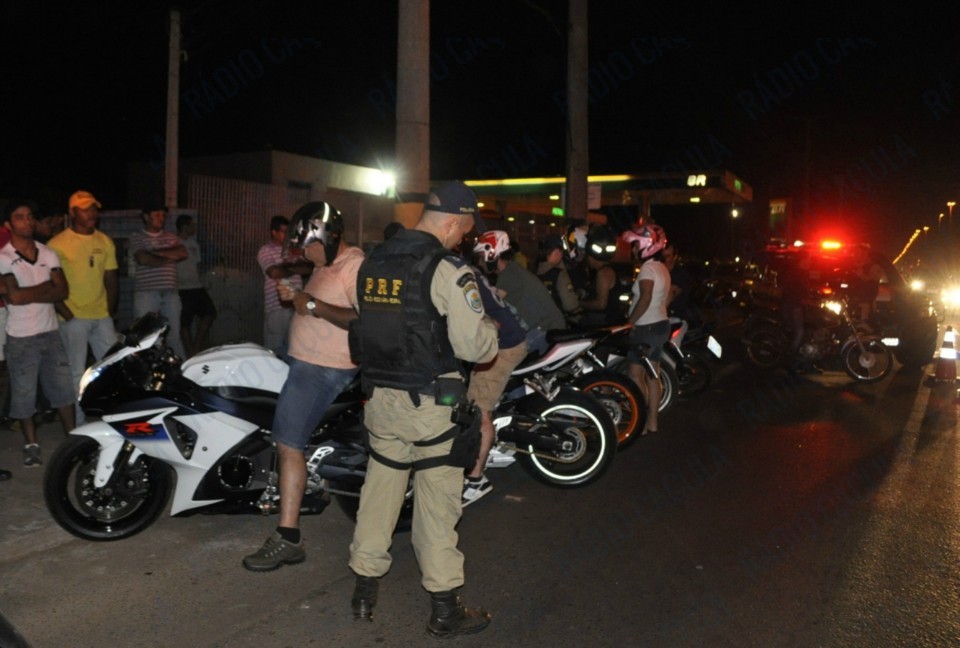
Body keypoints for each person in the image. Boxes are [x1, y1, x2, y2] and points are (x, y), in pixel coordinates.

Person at [347, 181, 499, 638]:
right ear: (453, 222)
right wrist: (489, 327)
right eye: (465, 231)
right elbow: (474, 347)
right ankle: (445, 610)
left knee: (379, 494)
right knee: (437, 506)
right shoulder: (448, 269)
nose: (464, 239)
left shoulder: (373, 261)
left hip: (381, 401)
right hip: (432, 407)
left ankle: (363, 592)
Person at [242, 202, 363, 571]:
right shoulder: (325, 264)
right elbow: (314, 307)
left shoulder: (353, 265)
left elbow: (362, 319)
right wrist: (296, 301)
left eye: (308, 246)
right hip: (300, 359)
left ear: (327, 236)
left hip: (323, 368)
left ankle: (288, 537)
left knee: (289, 442)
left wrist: (309, 304)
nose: (304, 254)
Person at [0, 199, 76, 466]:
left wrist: (28, 293)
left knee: (64, 390)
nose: (27, 221)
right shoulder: (4, 258)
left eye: (30, 216)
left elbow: (62, 291)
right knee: (24, 394)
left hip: (50, 332)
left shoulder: (48, 253)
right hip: (21, 337)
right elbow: (15, 298)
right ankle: (31, 445)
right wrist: (46, 288)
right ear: (8, 225)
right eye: (20, 217)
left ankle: (73, 440)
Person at [464, 230, 529, 505]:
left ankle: (476, 479)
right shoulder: (471, 275)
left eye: (482, 254)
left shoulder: (464, 278)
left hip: (504, 346)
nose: (480, 258)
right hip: (508, 340)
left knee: (479, 409)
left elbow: (486, 320)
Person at [48, 191, 119, 424]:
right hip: (73, 318)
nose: (92, 214)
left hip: (101, 316)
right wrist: (67, 314)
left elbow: (111, 278)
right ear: (72, 212)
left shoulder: (104, 241)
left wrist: (109, 311)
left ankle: (113, 417)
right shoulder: (57, 244)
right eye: (85, 209)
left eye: (93, 209)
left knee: (113, 368)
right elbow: (50, 284)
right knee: (76, 373)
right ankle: (78, 424)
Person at [622, 224, 671, 436]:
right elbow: (665, 297)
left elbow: (645, 298)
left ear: (646, 245)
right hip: (660, 324)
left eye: (635, 245)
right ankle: (652, 422)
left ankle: (640, 424)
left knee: (636, 374)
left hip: (645, 327)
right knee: (653, 374)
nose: (633, 249)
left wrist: (629, 322)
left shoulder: (647, 270)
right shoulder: (662, 268)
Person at [479, 230, 566, 336]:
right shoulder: (513, 269)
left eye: (481, 257)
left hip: (547, 331)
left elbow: (492, 305)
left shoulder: (508, 275)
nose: (480, 262)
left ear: (492, 255)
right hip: (549, 328)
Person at [129, 207, 187, 358]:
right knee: (144, 335)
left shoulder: (171, 237)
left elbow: (182, 253)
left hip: (170, 293)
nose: (161, 218)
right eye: (157, 214)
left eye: (162, 214)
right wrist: (169, 255)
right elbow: (143, 258)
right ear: (146, 217)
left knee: (174, 335)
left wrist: (154, 254)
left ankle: (179, 367)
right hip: (147, 293)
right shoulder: (137, 237)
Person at [257, 215, 312, 356]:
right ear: (274, 232)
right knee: (274, 352)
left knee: (295, 349)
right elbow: (274, 272)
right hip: (277, 308)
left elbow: (309, 268)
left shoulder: (294, 251)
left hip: (297, 306)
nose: (288, 235)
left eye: (289, 232)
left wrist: (286, 267)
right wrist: (294, 268)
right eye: (284, 232)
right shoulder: (266, 250)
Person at [175, 214, 217, 357]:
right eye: (192, 225)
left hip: (196, 286)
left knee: (209, 312)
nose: (194, 228)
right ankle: (190, 351)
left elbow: (196, 265)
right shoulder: (174, 242)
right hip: (182, 288)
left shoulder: (194, 243)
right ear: (184, 226)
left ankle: (196, 346)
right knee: (185, 322)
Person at [778, 250, 817, 373]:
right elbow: (789, 291)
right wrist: (803, 300)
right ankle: (790, 360)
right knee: (799, 332)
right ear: (803, 260)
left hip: (799, 306)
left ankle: (806, 363)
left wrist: (815, 297)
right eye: (809, 259)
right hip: (792, 307)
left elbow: (805, 290)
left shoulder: (803, 273)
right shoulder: (794, 273)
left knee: (809, 333)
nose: (811, 261)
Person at [577, 225, 623, 328]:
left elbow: (601, 304)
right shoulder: (603, 271)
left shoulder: (604, 273)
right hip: (603, 322)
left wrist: (578, 303)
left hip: (601, 323)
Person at [536, 234, 581, 323]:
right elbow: (571, 305)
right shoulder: (560, 275)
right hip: (557, 323)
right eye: (561, 252)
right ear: (557, 251)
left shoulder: (533, 273)